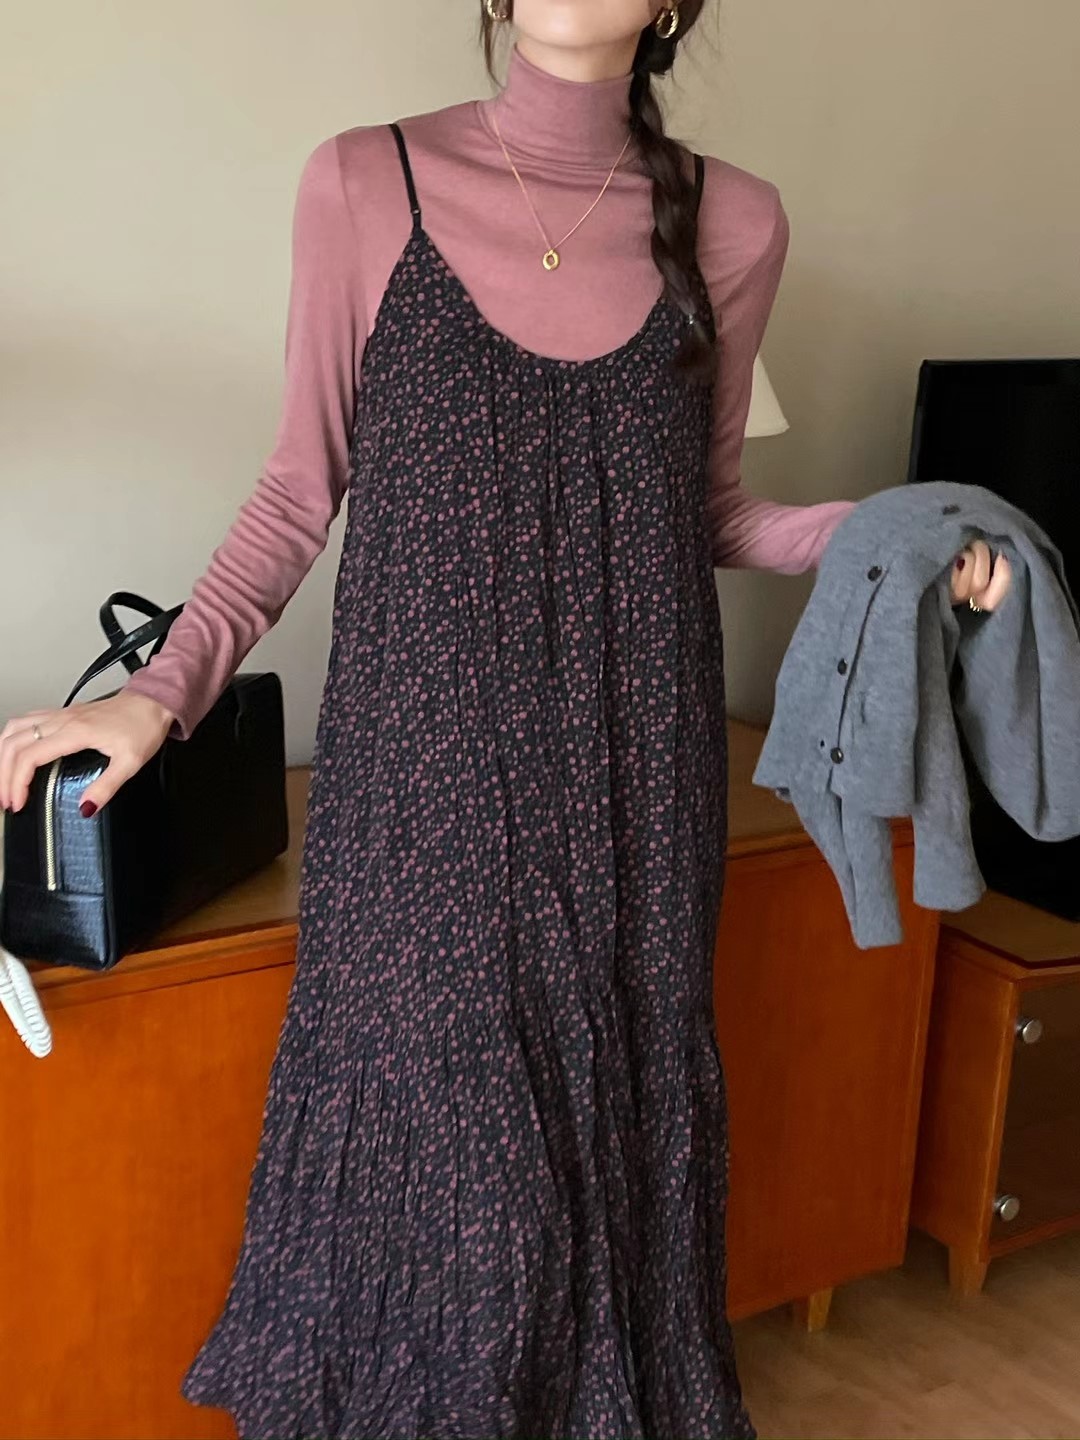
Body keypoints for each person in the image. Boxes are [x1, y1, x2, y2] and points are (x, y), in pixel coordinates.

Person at [0, 4, 1010, 1436]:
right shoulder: (366, 180)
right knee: (444, 1141)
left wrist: (895, 534)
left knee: (603, 1131)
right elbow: (297, 489)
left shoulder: (736, 222)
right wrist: (159, 692)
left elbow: (712, 510)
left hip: (632, 774)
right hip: (419, 773)